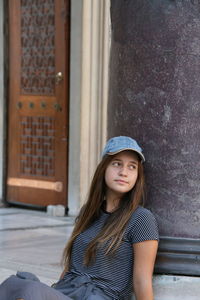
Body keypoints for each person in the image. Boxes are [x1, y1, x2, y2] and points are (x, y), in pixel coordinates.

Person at [0, 136, 159, 300]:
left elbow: (142, 282)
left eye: (132, 167)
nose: (123, 172)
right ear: (103, 168)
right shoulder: (88, 212)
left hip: (101, 296)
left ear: (137, 176)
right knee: (15, 285)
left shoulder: (141, 219)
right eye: (117, 164)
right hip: (69, 291)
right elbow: (70, 268)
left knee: (30, 291)